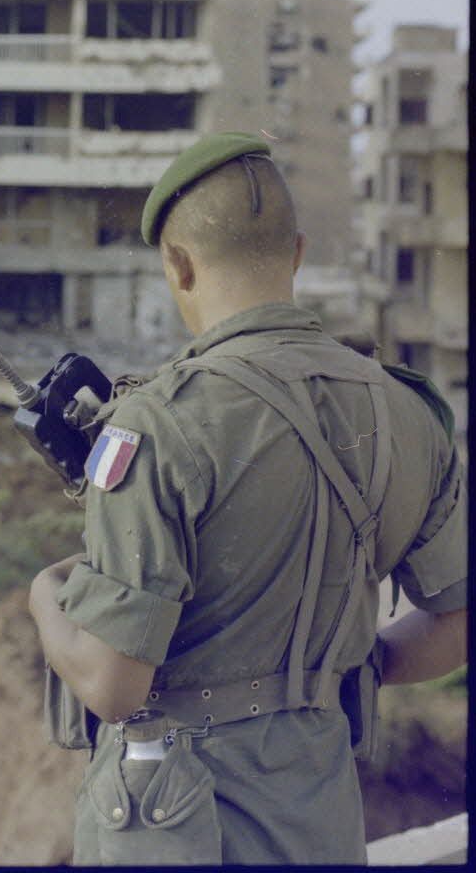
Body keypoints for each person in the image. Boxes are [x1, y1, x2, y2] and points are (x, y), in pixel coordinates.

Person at [28, 132, 467, 866]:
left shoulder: (156, 423)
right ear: (295, 254)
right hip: (321, 821)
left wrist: (45, 599)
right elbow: (458, 620)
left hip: (178, 830)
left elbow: (112, 682)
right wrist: (343, 667)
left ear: (178, 264)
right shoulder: (408, 413)